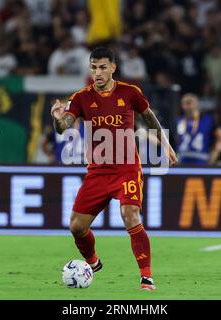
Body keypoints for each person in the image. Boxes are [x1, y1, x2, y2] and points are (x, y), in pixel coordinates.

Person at [51, 47, 178, 290]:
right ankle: (92, 262)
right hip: (98, 172)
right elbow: (65, 125)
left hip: (127, 168)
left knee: (129, 215)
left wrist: (166, 144)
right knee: (76, 227)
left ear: (112, 68)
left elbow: (149, 117)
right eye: (93, 67)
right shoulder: (81, 97)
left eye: (102, 67)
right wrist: (58, 120)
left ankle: (146, 276)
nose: (97, 72)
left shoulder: (130, 92)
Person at [177, 93, 221, 165]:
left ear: (197, 104)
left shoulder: (208, 120)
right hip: (181, 160)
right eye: (186, 103)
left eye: (190, 102)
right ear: (182, 105)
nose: (188, 105)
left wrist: (213, 155)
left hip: (202, 160)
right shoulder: (177, 120)